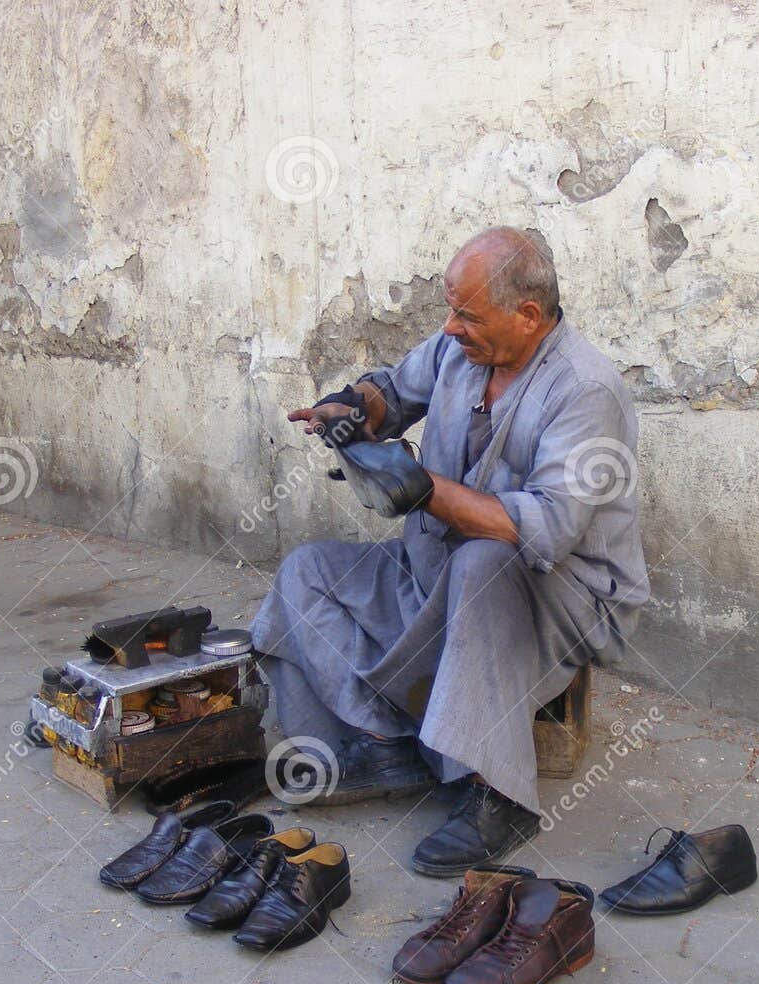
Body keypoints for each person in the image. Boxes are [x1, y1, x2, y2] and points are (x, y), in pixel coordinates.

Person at [252, 226, 648, 876]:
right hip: (437, 565)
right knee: (307, 574)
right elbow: (393, 391)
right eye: (450, 309)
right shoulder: (462, 348)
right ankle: (385, 743)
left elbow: (546, 529)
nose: (450, 326)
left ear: (527, 315)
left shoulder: (585, 390)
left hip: (565, 595)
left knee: (484, 562)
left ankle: (497, 794)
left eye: (466, 314)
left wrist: (422, 488)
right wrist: (354, 408)